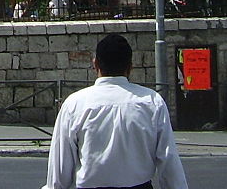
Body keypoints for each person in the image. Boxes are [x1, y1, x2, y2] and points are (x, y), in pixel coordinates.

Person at [44, 33, 188, 189]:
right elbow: (169, 163)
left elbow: (58, 173)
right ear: (130, 67)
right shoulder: (152, 102)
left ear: (95, 64)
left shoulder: (74, 104)